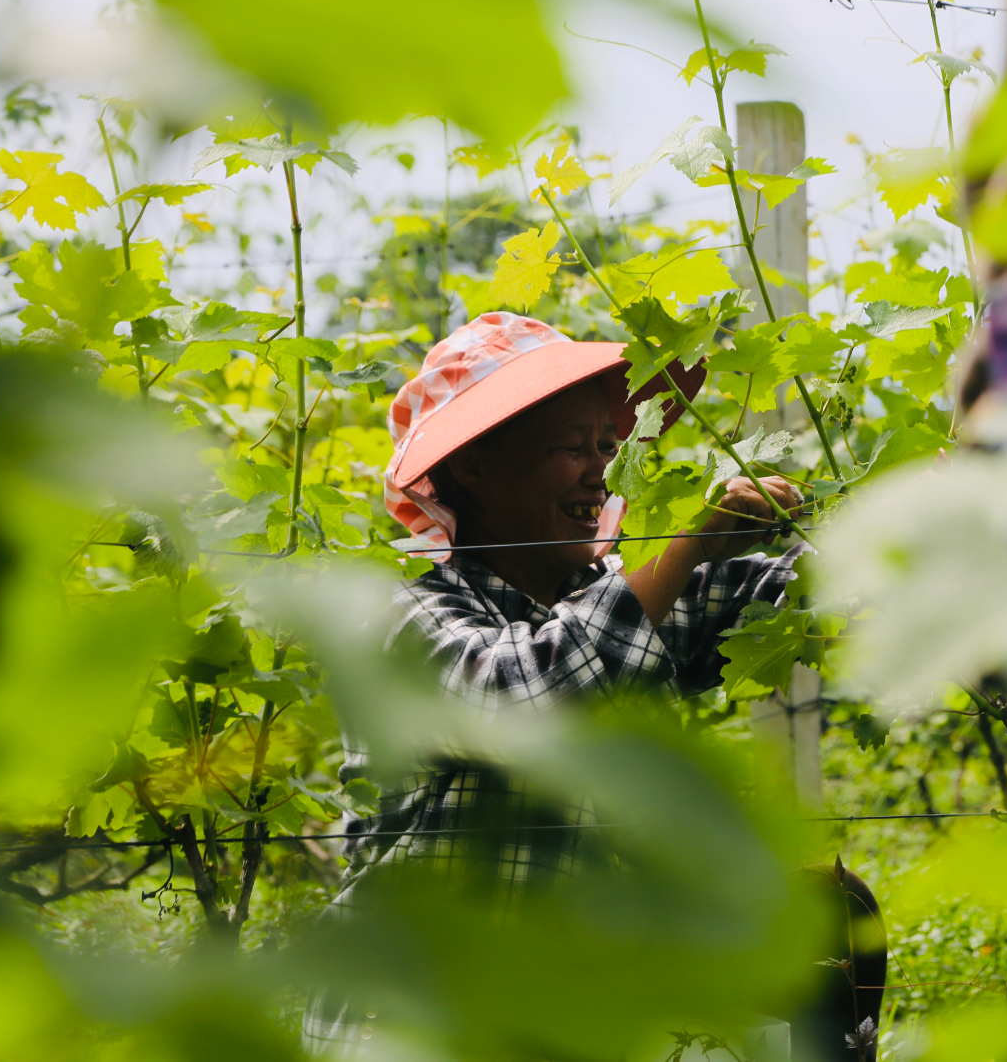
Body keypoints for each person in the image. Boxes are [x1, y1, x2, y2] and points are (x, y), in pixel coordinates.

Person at [303, 312, 803, 1054]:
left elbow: (786, 597)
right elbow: (519, 692)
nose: (598, 470)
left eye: (607, 445)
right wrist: (689, 545)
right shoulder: (399, 618)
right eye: (571, 446)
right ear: (473, 465)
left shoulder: (610, 602)